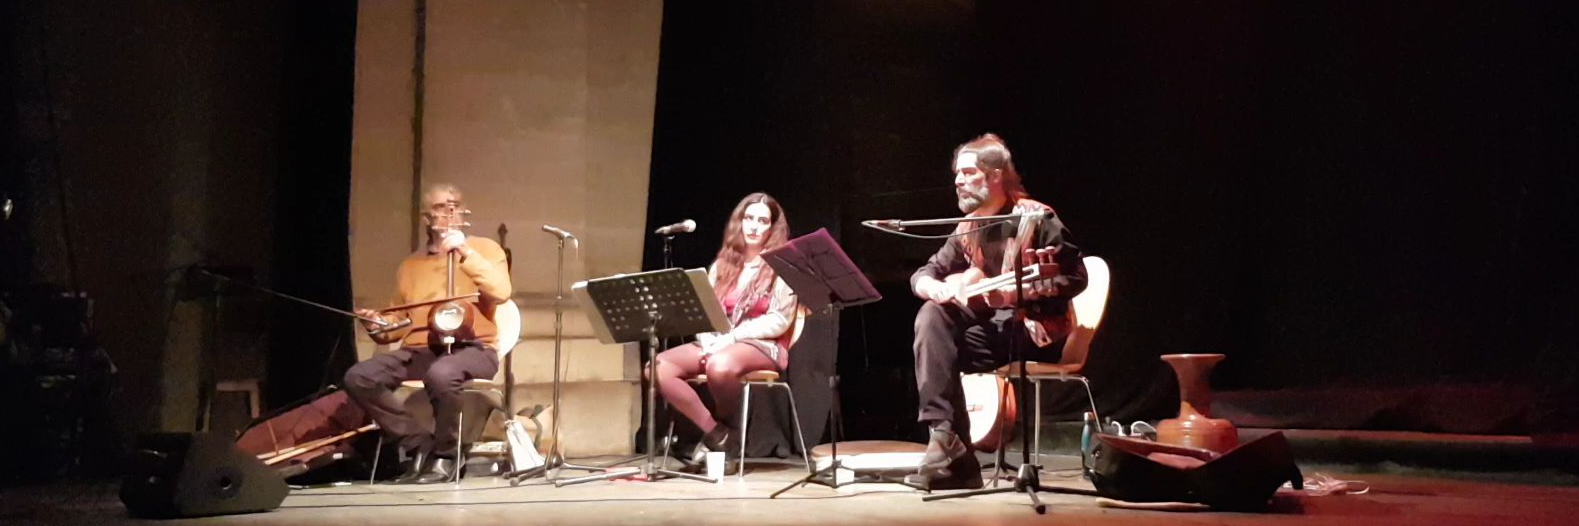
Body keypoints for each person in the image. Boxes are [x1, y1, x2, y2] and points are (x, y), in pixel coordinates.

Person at [908, 134, 1088, 489]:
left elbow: (1075, 277)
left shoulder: (1036, 217)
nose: (958, 180)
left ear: (994, 176)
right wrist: (933, 287)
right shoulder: (968, 226)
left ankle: (957, 462)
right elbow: (924, 272)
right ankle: (943, 435)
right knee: (932, 318)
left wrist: (1010, 295)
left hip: (1035, 330)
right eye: (957, 174)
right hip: (991, 333)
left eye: (968, 172)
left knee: (941, 352)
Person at [343, 183, 512, 484]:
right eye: (440, 207)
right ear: (426, 218)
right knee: (359, 377)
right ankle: (417, 444)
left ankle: (448, 455)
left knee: (441, 374)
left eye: (456, 205)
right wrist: (378, 325)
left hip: (474, 349)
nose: (449, 211)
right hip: (421, 349)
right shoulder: (411, 265)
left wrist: (463, 251)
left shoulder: (485, 250)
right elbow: (397, 324)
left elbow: (501, 292)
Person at [650, 192, 798, 461]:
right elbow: (706, 310)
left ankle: (724, 429)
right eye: (749, 218)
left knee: (720, 365)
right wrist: (707, 339)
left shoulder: (782, 265)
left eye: (762, 221)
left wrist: (731, 339)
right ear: (739, 222)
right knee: (657, 367)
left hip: (763, 345)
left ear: (772, 227)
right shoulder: (723, 264)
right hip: (718, 342)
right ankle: (718, 434)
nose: (753, 226)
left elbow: (780, 320)